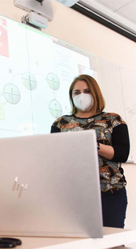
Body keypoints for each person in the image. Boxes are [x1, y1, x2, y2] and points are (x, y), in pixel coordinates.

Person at [51, 74, 130, 228]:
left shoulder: (114, 120)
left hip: (110, 193)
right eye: (77, 92)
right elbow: (55, 157)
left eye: (87, 91)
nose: (82, 96)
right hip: (73, 195)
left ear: (95, 93)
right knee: (76, 245)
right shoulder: (61, 123)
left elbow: (122, 153)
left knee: (109, 247)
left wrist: (93, 145)